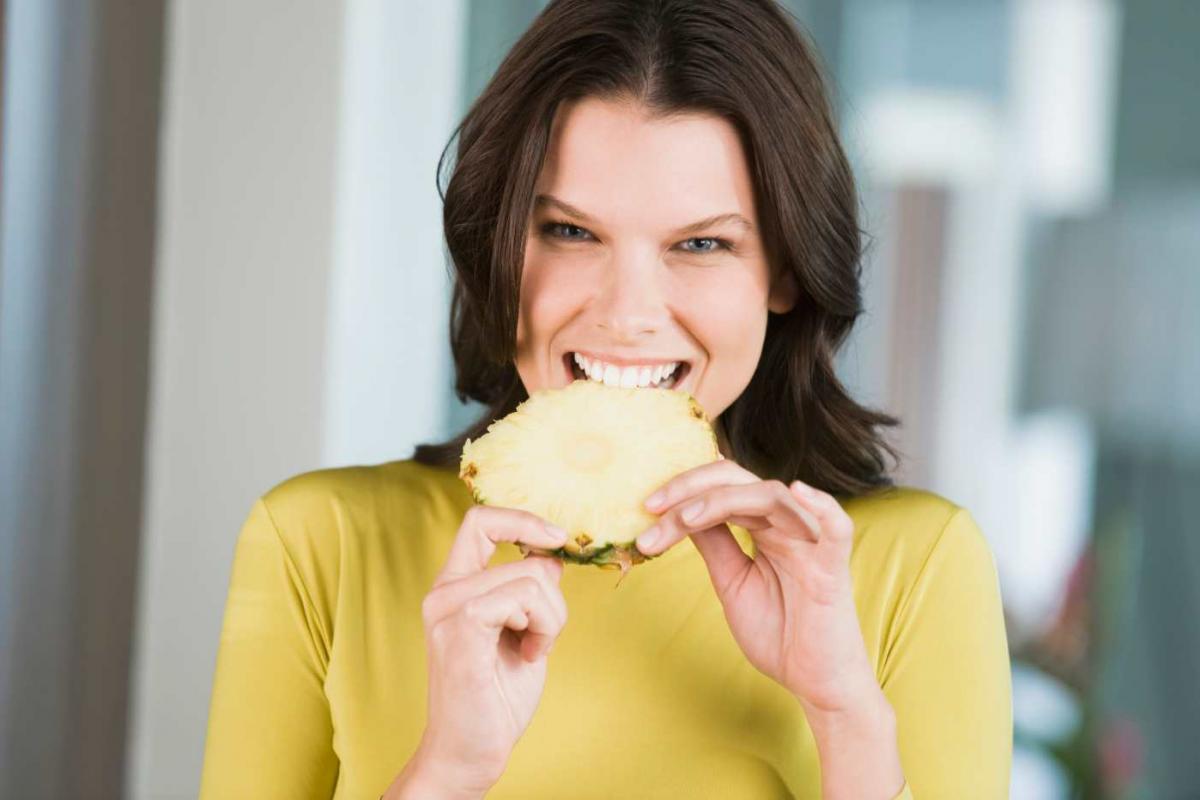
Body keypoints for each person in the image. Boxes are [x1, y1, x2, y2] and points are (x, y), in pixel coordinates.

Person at [198, 0, 1012, 797]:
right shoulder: (320, 542)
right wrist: (444, 774)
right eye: (570, 232)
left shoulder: (917, 565)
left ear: (787, 271)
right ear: (498, 247)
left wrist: (845, 716)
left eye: (702, 243)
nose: (627, 315)